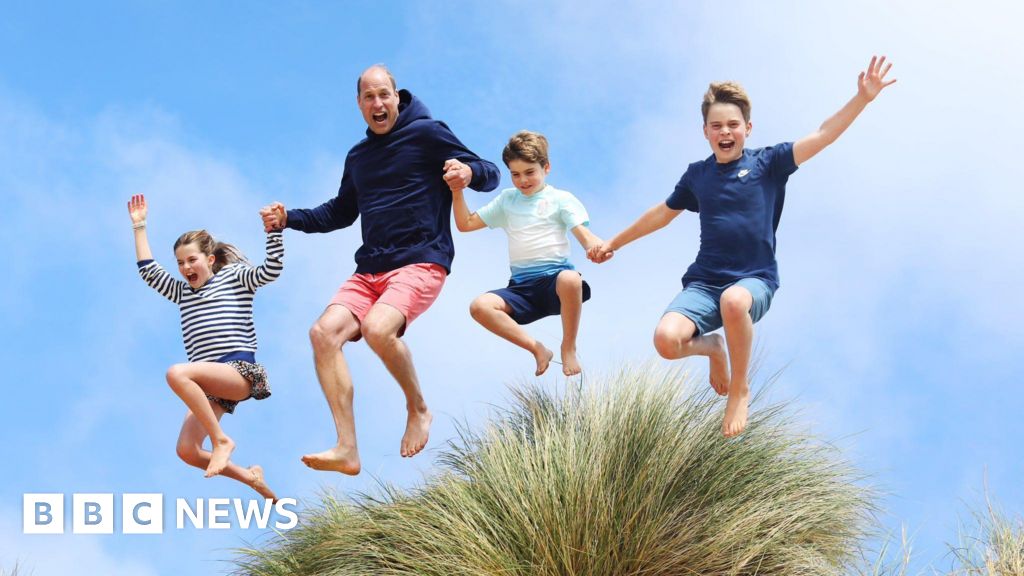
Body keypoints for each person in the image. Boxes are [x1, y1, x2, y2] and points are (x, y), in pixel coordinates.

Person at [590, 56, 896, 437]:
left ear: (747, 128)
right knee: (666, 341)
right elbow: (662, 214)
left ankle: (740, 388)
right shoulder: (697, 175)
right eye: (716, 125)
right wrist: (613, 243)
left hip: (755, 280)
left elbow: (823, 134)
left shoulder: (770, 163)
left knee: (734, 301)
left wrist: (862, 99)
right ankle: (714, 348)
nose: (725, 131)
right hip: (704, 283)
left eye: (733, 125)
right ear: (705, 131)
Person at [260, 65, 500, 474]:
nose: (377, 103)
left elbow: (490, 174)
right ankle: (347, 449)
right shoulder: (359, 157)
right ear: (359, 104)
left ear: (397, 96)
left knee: (377, 328)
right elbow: (339, 212)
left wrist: (467, 172)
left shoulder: (427, 133)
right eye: (369, 97)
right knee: (322, 334)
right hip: (371, 269)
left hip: (422, 259)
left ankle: (418, 408)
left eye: (384, 95)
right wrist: (289, 219)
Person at [128, 193, 282, 499]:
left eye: (192, 260)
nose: (186, 267)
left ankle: (221, 441)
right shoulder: (182, 292)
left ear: (210, 260)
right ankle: (252, 479)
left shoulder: (234, 278)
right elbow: (148, 270)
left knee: (177, 373)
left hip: (238, 371)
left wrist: (274, 232)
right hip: (211, 384)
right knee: (186, 450)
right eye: (181, 263)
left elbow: (271, 270)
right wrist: (140, 227)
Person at [451, 130, 602, 377]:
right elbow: (465, 224)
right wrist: (457, 191)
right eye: (515, 174)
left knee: (570, 278)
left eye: (530, 172)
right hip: (522, 289)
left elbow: (584, 235)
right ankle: (537, 349)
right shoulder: (507, 200)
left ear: (546, 168)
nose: (523, 180)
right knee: (480, 306)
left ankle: (568, 346)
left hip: (555, 284)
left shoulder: (560, 199)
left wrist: (593, 247)